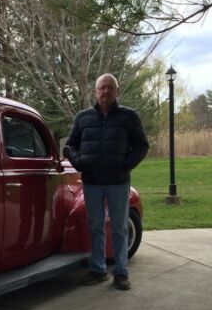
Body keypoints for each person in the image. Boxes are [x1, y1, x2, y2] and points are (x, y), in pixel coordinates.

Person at [63, 73, 149, 290]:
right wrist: (79, 161)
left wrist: (125, 165)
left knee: (119, 228)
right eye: (102, 87)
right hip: (91, 182)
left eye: (110, 87)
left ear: (117, 91)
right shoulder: (83, 118)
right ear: (95, 92)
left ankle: (121, 272)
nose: (106, 91)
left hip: (118, 182)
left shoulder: (129, 117)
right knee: (95, 227)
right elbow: (70, 145)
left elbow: (142, 146)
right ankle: (98, 269)